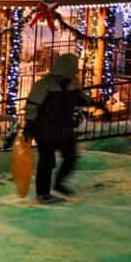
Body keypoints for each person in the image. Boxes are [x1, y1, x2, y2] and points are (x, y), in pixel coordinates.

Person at [24, 53, 98, 203]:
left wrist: (97, 104)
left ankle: (59, 184)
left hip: (64, 128)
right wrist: (29, 125)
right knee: (47, 162)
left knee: (71, 157)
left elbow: (81, 98)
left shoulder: (74, 83)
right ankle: (43, 193)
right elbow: (32, 106)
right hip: (45, 129)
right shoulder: (44, 85)